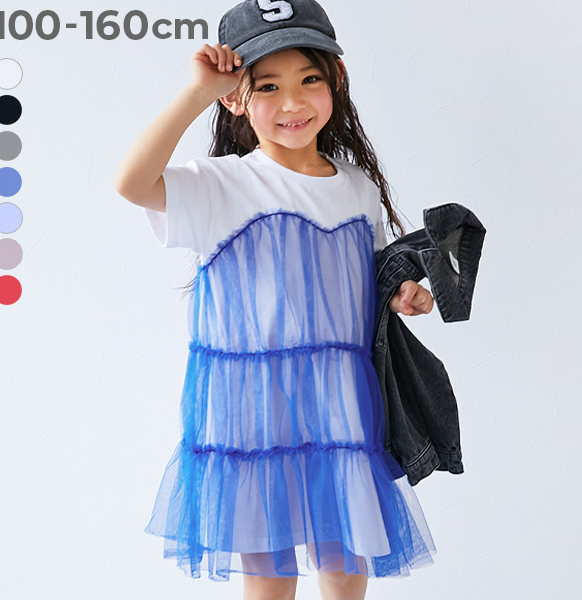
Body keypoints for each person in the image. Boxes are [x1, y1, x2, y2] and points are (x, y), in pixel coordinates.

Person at [115, 1, 437, 598]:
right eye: (267, 86)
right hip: (254, 414)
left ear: (336, 79)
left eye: (309, 79)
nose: (292, 102)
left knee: (346, 569)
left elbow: (371, 278)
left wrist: (402, 293)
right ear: (236, 99)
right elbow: (132, 183)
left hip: (341, 406)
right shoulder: (223, 184)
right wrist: (198, 93)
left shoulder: (357, 188)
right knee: (269, 581)